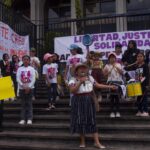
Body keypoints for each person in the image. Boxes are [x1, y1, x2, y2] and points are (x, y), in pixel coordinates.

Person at [68, 63, 116, 149]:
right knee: (80, 120)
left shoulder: (90, 78)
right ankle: (82, 141)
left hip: (88, 99)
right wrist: (80, 82)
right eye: (80, 68)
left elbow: (97, 85)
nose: (82, 70)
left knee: (92, 120)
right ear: (76, 71)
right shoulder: (72, 79)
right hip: (78, 100)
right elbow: (72, 90)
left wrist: (109, 86)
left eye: (84, 68)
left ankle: (96, 142)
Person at [103, 52, 124, 118]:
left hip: (118, 82)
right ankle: (112, 112)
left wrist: (116, 67)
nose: (112, 59)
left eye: (113, 58)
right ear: (109, 59)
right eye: (111, 58)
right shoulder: (107, 66)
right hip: (111, 83)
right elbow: (104, 75)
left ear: (115, 58)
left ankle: (117, 111)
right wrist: (108, 71)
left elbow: (122, 73)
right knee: (112, 98)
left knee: (117, 98)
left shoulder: (119, 64)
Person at [17, 55, 36, 125]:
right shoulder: (19, 69)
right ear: (22, 60)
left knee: (29, 103)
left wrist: (29, 87)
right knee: (23, 104)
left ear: (29, 61)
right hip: (22, 88)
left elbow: (33, 79)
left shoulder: (31, 69)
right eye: (24, 59)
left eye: (27, 59)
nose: (26, 61)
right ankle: (22, 119)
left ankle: (29, 119)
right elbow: (18, 78)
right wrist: (23, 86)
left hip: (30, 88)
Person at [134, 52, 149, 117]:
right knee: (138, 98)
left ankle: (145, 111)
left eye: (141, 56)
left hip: (144, 84)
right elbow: (136, 75)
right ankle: (139, 110)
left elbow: (147, 76)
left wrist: (147, 84)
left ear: (143, 58)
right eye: (138, 56)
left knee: (144, 98)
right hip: (138, 84)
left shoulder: (145, 65)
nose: (139, 58)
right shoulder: (137, 66)